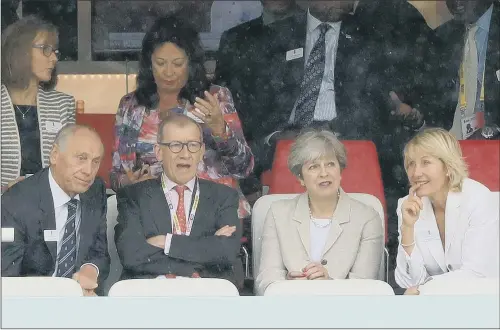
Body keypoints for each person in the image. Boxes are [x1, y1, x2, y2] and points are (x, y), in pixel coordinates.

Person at [110, 15, 254, 222]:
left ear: (192, 64)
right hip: (153, 217)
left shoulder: (213, 98)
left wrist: (220, 130)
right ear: (148, 64)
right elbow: (115, 174)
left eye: (177, 63)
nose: (168, 72)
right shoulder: (130, 106)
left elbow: (244, 167)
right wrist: (128, 182)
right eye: (160, 63)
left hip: (214, 218)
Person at [115, 115, 243, 287]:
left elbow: (227, 252)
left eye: (192, 145)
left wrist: (166, 242)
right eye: (175, 145)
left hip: (207, 292)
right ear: (159, 152)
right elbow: (131, 254)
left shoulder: (223, 196)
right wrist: (193, 262)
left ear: (201, 152)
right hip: (151, 292)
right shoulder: (134, 196)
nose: (185, 154)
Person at [255, 130, 384, 295]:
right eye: (314, 167)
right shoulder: (278, 213)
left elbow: (365, 286)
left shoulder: (367, 217)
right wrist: (288, 286)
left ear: (340, 170)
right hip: (290, 308)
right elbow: (266, 279)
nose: (324, 173)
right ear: (300, 177)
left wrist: (328, 284)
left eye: (330, 164)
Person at [1, 124, 110, 296]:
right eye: (81, 158)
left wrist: (90, 270)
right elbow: (8, 275)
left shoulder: (95, 190)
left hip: (82, 300)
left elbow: (99, 250)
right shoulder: (16, 201)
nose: (89, 171)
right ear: (54, 155)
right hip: (32, 302)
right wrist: (61, 292)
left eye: (95, 162)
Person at [216, 0, 304, 199]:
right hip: (252, 159)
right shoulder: (235, 39)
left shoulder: (316, 34)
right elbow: (227, 111)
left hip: (309, 150)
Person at [395, 128, 499, 294]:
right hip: (432, 305)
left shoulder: (477, 199)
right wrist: (407, 228)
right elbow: (406, 282)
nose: (416, 173)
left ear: (448, 166)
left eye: (426, 162)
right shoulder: (407, 205)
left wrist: (425, 289)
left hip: (481, 302)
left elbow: (476, 275)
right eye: (411, 164)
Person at [1, 16, 75, 192]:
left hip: (47, 208)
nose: (54, 59)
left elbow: (70, 167)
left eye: (55, 51)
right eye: (46, 49)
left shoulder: (63, 105)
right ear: (20, 51)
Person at [428, 0, 499, 140]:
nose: (456, 2)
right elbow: (433, 97)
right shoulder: (442, 37)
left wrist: (494, 128)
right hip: (452, 147)